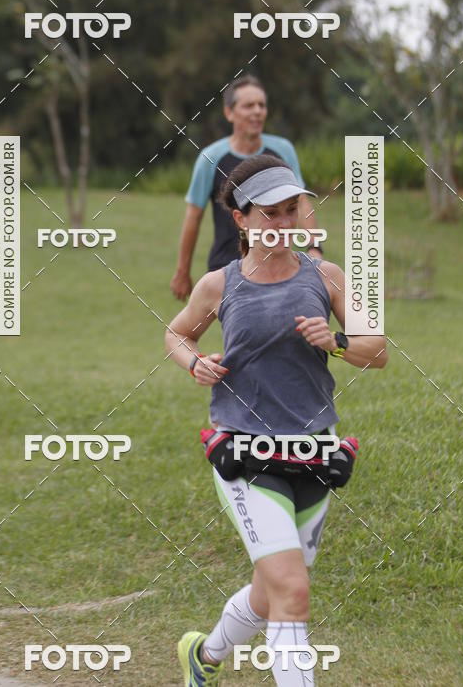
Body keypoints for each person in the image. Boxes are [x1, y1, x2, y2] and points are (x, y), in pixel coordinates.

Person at [165, 155, 387, 686]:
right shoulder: (218, 285)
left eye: (293, 209)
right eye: (271, 213)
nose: (286, 223)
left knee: (272, 591)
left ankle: (205, 657)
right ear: (241, 219)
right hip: (245, 450)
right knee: (293, 589)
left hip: (316, 450)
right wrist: (195, 362)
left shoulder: (325, 276)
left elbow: (376, 350)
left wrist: (334, 340)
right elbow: (176, 333)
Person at [170, 74, 322, 301]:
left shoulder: (283, 150)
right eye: (249, 105)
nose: (257, 111)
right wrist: (182, 271)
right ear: (229, 112)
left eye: (262, 105)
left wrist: (314, 247)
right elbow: (193, 217)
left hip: (280, 264)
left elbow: (301, 202)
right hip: (229, 269)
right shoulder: (211, 158)